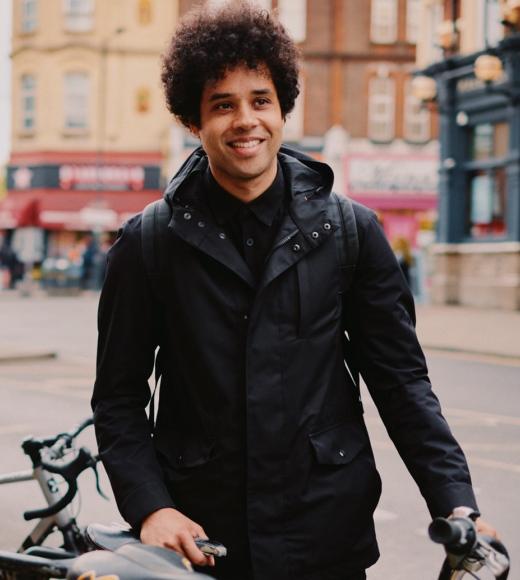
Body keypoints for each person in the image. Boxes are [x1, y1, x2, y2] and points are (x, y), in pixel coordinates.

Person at [91, 3, 497, 580]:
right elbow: (118, 399)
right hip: (203, 543)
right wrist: (152, 508)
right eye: (222, 105)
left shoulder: (352, 232)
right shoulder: (149, 243)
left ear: (282, 107)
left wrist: (457, 504)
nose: (245, 120)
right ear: (192, 121)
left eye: (260, 100)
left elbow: (401, 382)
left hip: (325, 536)